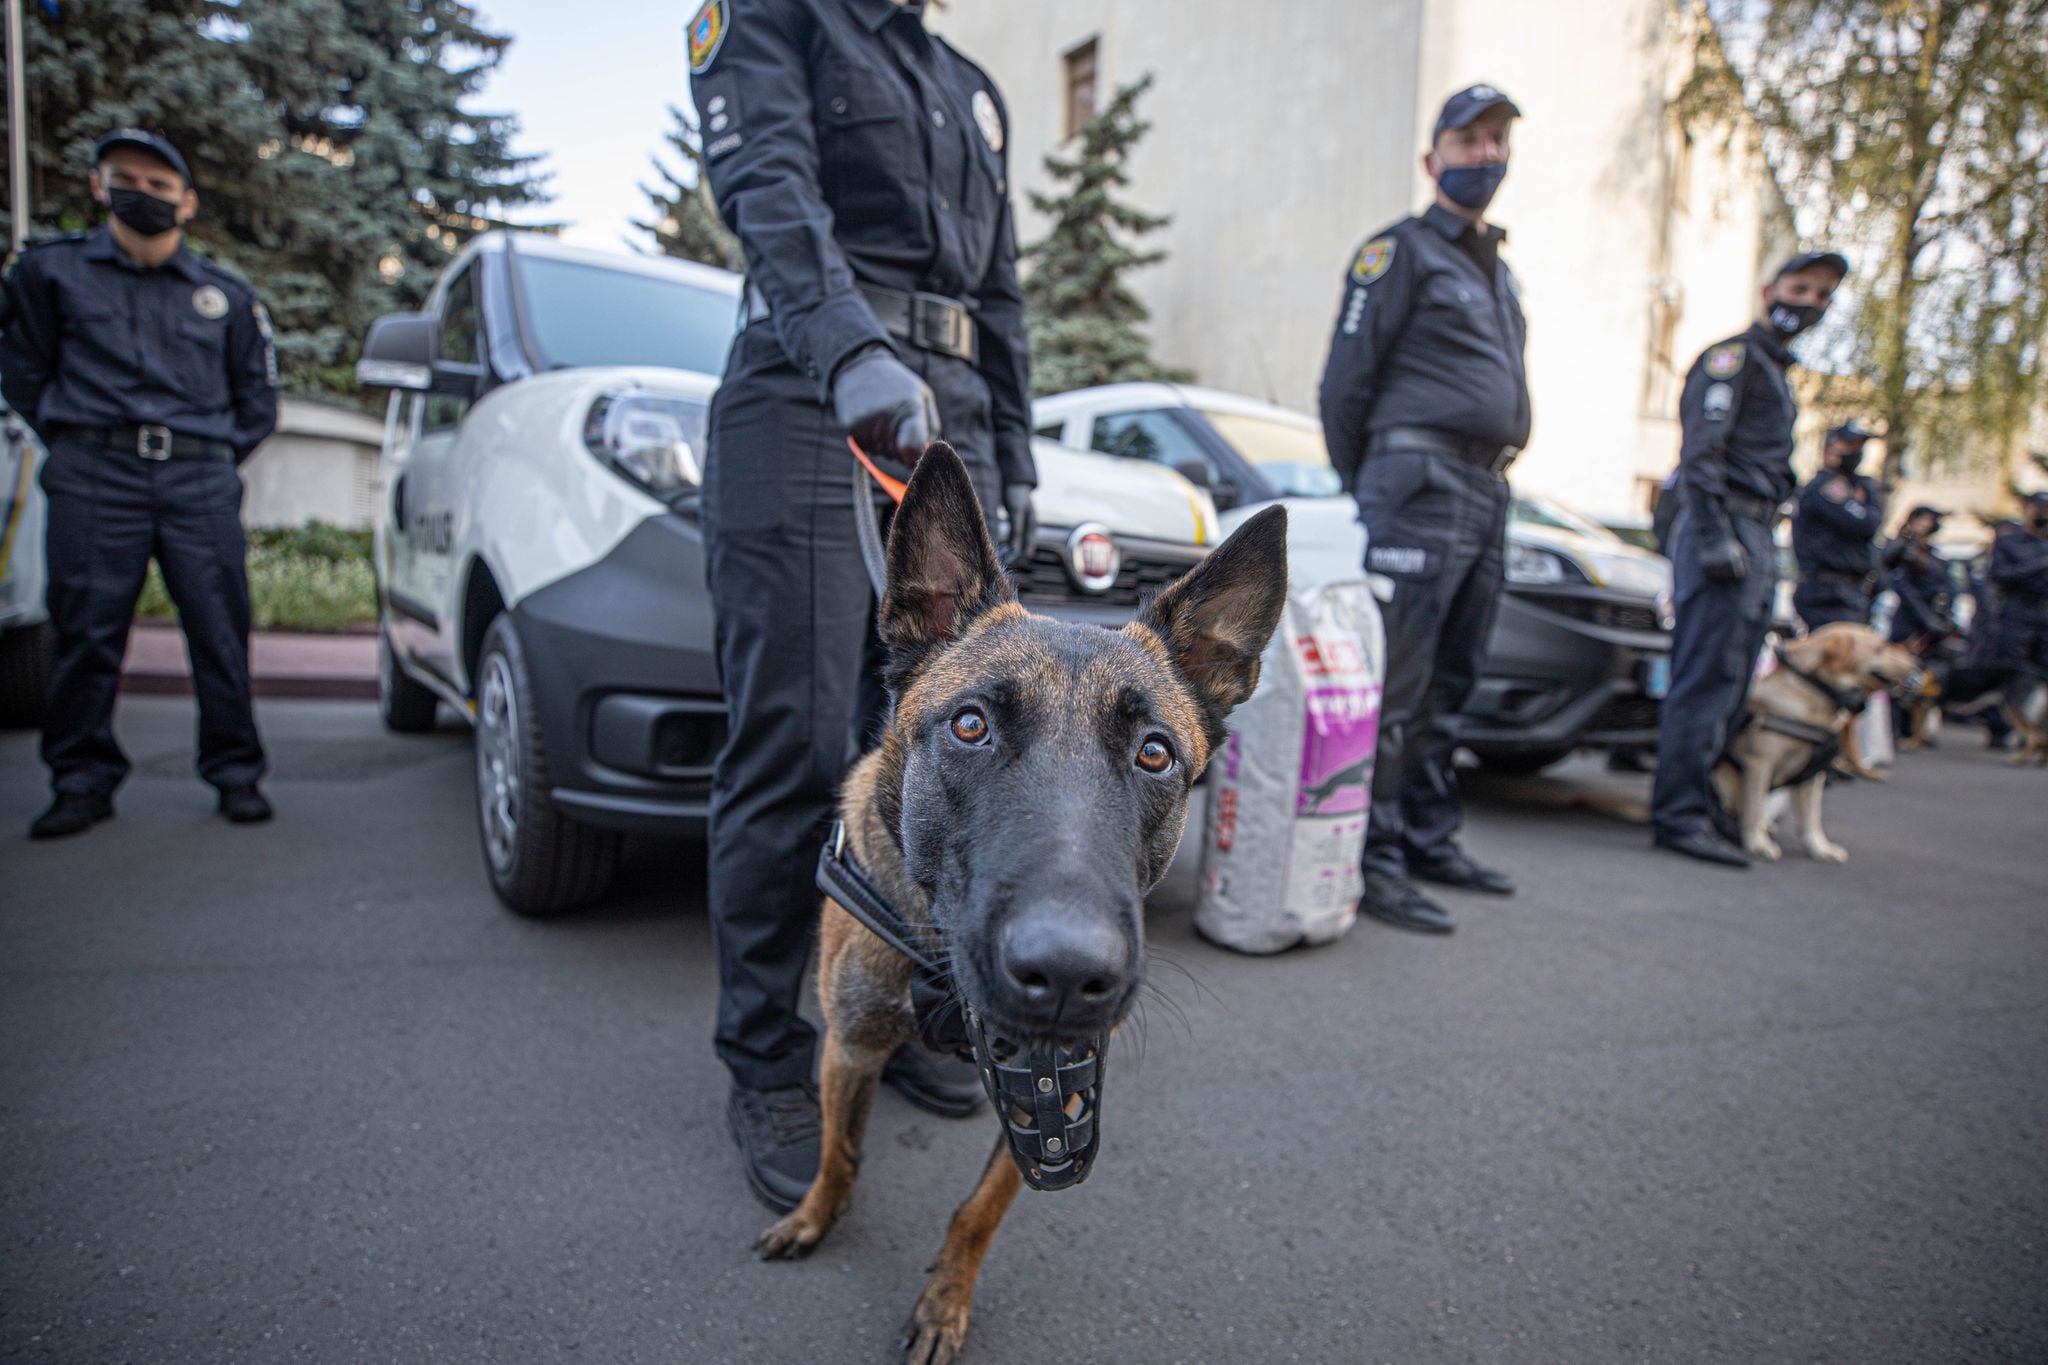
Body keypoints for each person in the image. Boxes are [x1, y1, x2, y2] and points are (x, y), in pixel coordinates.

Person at [686, 0, 1037, 1212]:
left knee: (937, 753)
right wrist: (846, 351)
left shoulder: (967, 82)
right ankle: (764, 1054)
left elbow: (999, 289)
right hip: (809, 391)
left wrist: (1015, 456)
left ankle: (904, 1006)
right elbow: (768, 187)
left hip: (952, 420)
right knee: (789, 745)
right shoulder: (777, 17)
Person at [0, 129, 278, 840]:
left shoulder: (224, 294)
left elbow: (257, 401)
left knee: (219, 629)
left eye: (159, 186)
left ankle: (236, 771)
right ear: (99, 185)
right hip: (97, 472)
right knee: (87, 633)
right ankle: (80, 780)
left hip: (197, 476)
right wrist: (78, 445)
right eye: (127, 180)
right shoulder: (52, 273)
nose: (142, 195)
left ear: (186, 202)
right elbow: (24, 372)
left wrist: (209, 460)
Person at [1319, 83, 1529, 934]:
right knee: (1400, 684)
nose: (1485, 154)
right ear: (1431, 157)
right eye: (1468, 140)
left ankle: (1430, 838)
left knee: (1454, 679)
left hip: (1486, 488)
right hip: (1417, 483)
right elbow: (1344, 385)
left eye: (1497, 140)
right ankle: (1376, 858)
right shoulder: (1397, 253)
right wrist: (1376, 480)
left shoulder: (1499, 271)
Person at [1650, 250, 1848, 868]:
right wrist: (1713, 535)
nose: (1809, 302)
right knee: (1705, 679)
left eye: (1822, 295)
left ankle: (1704, 803)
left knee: (1734, 682)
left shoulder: (1775, 370)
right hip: (1725, 524)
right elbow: (1702, 452)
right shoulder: (1732, 359)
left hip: (1757, 531)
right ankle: (1679, 815)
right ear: (1769, 290)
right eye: (1800, 288)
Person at [1791, 422, 1882, 630]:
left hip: (1848, 591)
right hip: (1829, 593)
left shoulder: (1856, 484)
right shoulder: (1825, 486)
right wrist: (1861, 502)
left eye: (1858, 446)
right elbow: (1866, 524)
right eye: (1849, 445)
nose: (1855, 452)